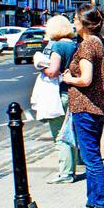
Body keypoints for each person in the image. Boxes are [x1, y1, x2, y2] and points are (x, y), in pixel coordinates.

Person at [61, 5, 104, 208]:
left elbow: (86, 79)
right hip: (97, 106)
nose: (73, 22)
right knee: (90, 155)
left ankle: (101, 206)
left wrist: (68, 79)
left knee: (91, 158)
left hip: (85, 106)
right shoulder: (100, 42)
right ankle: (92, 203)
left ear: (84, 23)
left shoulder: (87, 45)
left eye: (75, 19)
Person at [37, 14, 80, 184]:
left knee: (60, 136)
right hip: (72, 92)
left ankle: (65, 173)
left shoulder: (58, 47)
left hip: (59, 94)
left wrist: (41, 66)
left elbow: (53, 71)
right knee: (70, 133)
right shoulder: (74, 45)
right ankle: (71, 170)